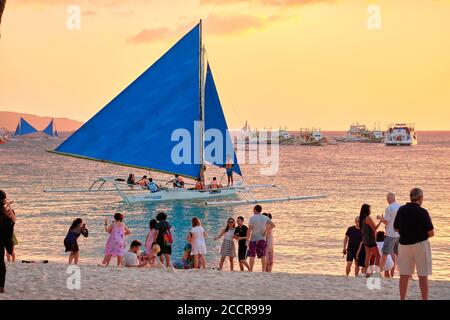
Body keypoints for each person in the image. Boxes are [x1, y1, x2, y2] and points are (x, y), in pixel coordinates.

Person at [394, 188, 434, 300]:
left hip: (403, 245)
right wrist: (419, 235)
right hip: (420, 245)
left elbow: (396, 228)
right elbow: (431, 232)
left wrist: (407, 233)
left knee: (404, 275)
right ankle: (424, 298)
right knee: (422, 275)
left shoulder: (401, 210)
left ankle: (402, 298)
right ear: (420, 198)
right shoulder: (423, 212)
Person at [247, 205, 275, 272]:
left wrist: (247, 239)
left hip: (254, 239)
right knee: (263, 255)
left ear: (255, 210)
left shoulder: (252, 218)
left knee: (252, 255)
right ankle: (263, 270)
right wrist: (266, 231)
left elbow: (249, 229)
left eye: (253, 210)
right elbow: (273, 225)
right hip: (262, 239)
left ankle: (251, 269)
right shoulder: (265, 217)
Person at [379, 192, 401, 278]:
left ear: (389, 199)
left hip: (390, 234)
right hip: (399, 234)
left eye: (387, 199)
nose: (387, 200)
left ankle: (380, 271)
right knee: (398, 254)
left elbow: (386, 221)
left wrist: (381, 218)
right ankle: (404, 273)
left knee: (385, 253)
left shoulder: (389, 208)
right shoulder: (400, 207)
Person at [359, 204, 382, 276]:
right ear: (367, 210)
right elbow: (375, 228)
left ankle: (367, 272)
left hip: (365, 239)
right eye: (369, 209)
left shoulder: (361, 218)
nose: (370, 210)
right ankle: (376, 273)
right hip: (370, 240)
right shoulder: (368, 218)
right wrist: (380, 221)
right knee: (378, 256)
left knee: (368, 256)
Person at [0, 190, 15, 293]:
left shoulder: (4, 211)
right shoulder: (4, 212)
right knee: (0, 264)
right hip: (1, 240)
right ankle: (1, 288)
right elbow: (11, 224)